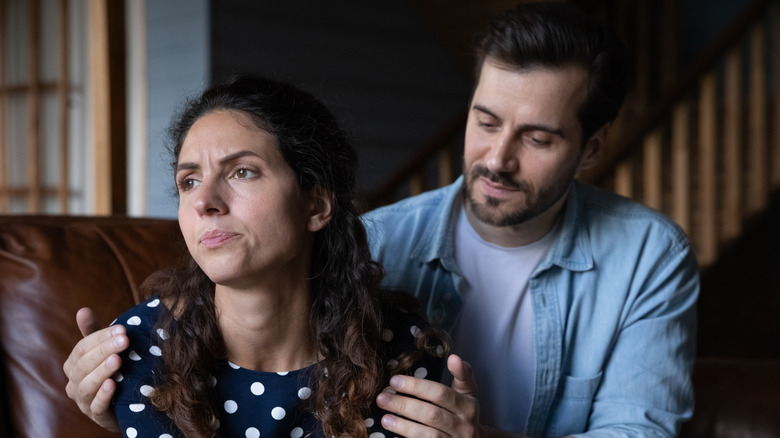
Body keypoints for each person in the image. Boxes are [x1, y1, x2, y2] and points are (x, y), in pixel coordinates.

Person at [65, 2, 698, 437]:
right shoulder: (377, 242)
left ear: (590, 148)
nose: (498, 158)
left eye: (538, 138)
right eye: (484, 122)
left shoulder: (649, 256)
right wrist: (122, 406)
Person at [65, 75, 447, 438]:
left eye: (242, 172)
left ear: (315, 206)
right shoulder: (147, 349)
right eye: (189, 181)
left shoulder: (400, 348)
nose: (204, 202)